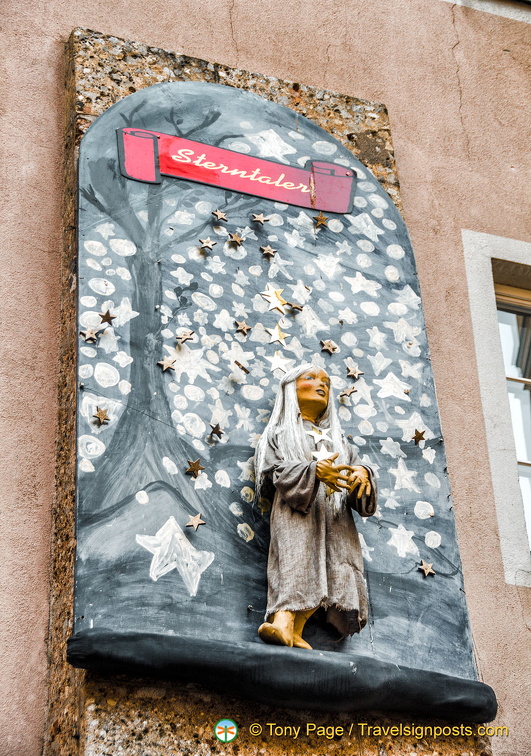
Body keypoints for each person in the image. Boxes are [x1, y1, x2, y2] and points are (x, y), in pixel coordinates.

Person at [253, 363, 377, 649]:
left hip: (335, 517)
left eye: (326, 382)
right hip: (298, 513)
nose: (322, 384)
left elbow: (357, 478)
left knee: (334, 567)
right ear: (291, 388)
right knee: (297, 560)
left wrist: (362, 474)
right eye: (310, 378)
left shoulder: (339, 441)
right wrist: (313, 471)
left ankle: (295, 630)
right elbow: (277, 472)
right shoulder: (279, 434)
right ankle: (283, 623)